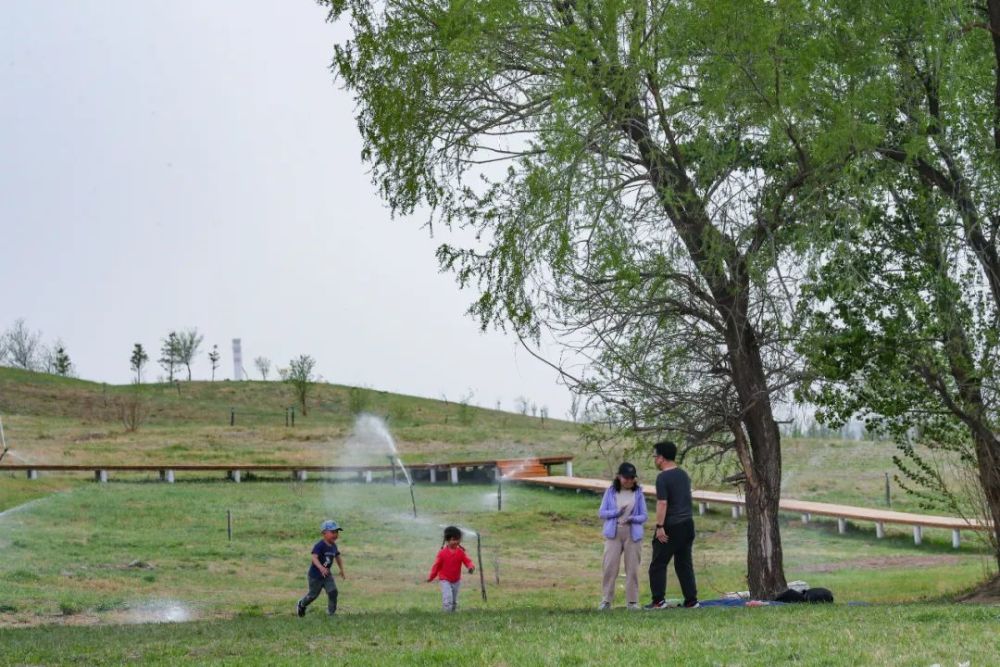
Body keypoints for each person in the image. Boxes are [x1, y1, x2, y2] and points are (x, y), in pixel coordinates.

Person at [645, 441, 699, 609]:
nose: (654, 460)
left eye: (655, 456)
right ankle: (691, 601)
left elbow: (662, 503)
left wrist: (660, 527)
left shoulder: (662, 477)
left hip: (671, 526)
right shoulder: (683, 475)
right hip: (688, 524)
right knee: (684, 564)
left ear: (661, 458)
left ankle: (658, 601)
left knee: (658, 564)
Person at [597, 461, 648, 610]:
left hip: (632, 534)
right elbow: (602, 513)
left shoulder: (638, 493)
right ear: (619, 477)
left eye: (632, 478)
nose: (629, 481)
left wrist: (633, 518)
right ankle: (606, 600)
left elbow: (644, 515)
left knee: (632, 568)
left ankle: (632, 602)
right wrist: (616, 513)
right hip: (614, 533)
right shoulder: (611, 491)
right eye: (626, 478)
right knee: (610, 567)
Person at [296, 520, 346, 617]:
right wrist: (321, 567)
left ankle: (331, 613)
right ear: (324, 533)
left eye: (337, 532)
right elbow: (314, 557)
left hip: (327, 575)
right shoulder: (320, 545)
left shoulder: (334, 546)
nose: (335, 534)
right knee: (313, 595)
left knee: (333, 591)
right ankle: (301, 604)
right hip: (315, 576)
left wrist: (341, 570)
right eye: (332, 532)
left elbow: (337, 557)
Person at [427, 525, 475, 612]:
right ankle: (446, 614)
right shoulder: (442, 553)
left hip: (456, 580)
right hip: (445, 580)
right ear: (447, 540)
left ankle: (452, 615)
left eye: (458, 539)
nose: (456, 541)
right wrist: (431, 577)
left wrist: (470, 567)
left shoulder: (461, 552)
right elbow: (436, 566)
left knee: (454, 600)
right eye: (453, 539)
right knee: (448, 598)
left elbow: (467, 561)